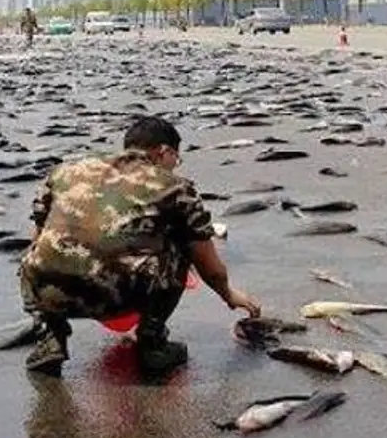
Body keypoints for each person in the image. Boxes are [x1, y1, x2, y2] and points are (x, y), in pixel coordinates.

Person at [18, 115, 262, 378]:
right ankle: (152, 343)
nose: (174, 167)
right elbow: (206, 262)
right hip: (118, 293)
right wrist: (228, 294)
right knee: (182, 245)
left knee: (42, 253)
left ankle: (50, 339)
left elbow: (38, 236)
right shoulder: (175, 187)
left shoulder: (64, 171)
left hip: (47, 292)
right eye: (175, 160)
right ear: (164, 152)